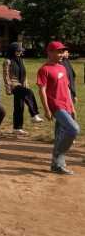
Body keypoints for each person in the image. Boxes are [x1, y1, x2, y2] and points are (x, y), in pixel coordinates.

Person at [37, 41, 80, 175]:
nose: (62, 54)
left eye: (62, 51)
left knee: (60, 135)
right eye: (59, 51)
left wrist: (72, 107)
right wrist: (46, 109)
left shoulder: (62, 68)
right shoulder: (44, 69)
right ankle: (58, 155)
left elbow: (67, 89)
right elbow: (42, 90)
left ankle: (56, 166)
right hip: (56, 106)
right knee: (74, 129)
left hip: (67, 105)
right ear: (50, 52)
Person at [3, 42, 43, 135]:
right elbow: (6, 75)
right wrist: (8, 88)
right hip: (14, 85)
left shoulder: (21, 60)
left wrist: (26, 84)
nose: (19, 52)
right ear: (12, 50)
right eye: (17, 50)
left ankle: (17, 128)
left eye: (20, 50)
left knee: (19, 106)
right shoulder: (7, 61)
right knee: (29, 93)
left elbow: (24, 74)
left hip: (21, 84)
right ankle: (34, 115)